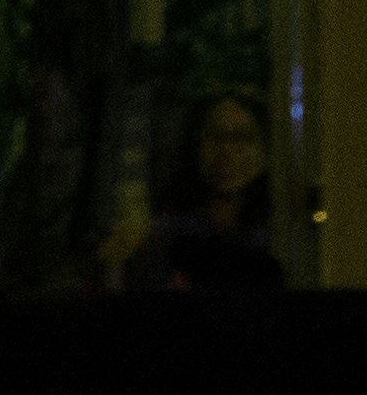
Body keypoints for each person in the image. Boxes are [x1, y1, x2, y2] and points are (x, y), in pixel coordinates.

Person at [125, 86, 294, 295]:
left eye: (242, 138)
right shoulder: (168, 234)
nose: (226, 151)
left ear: (267, 151)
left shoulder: (280, 235)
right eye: (215, 137)